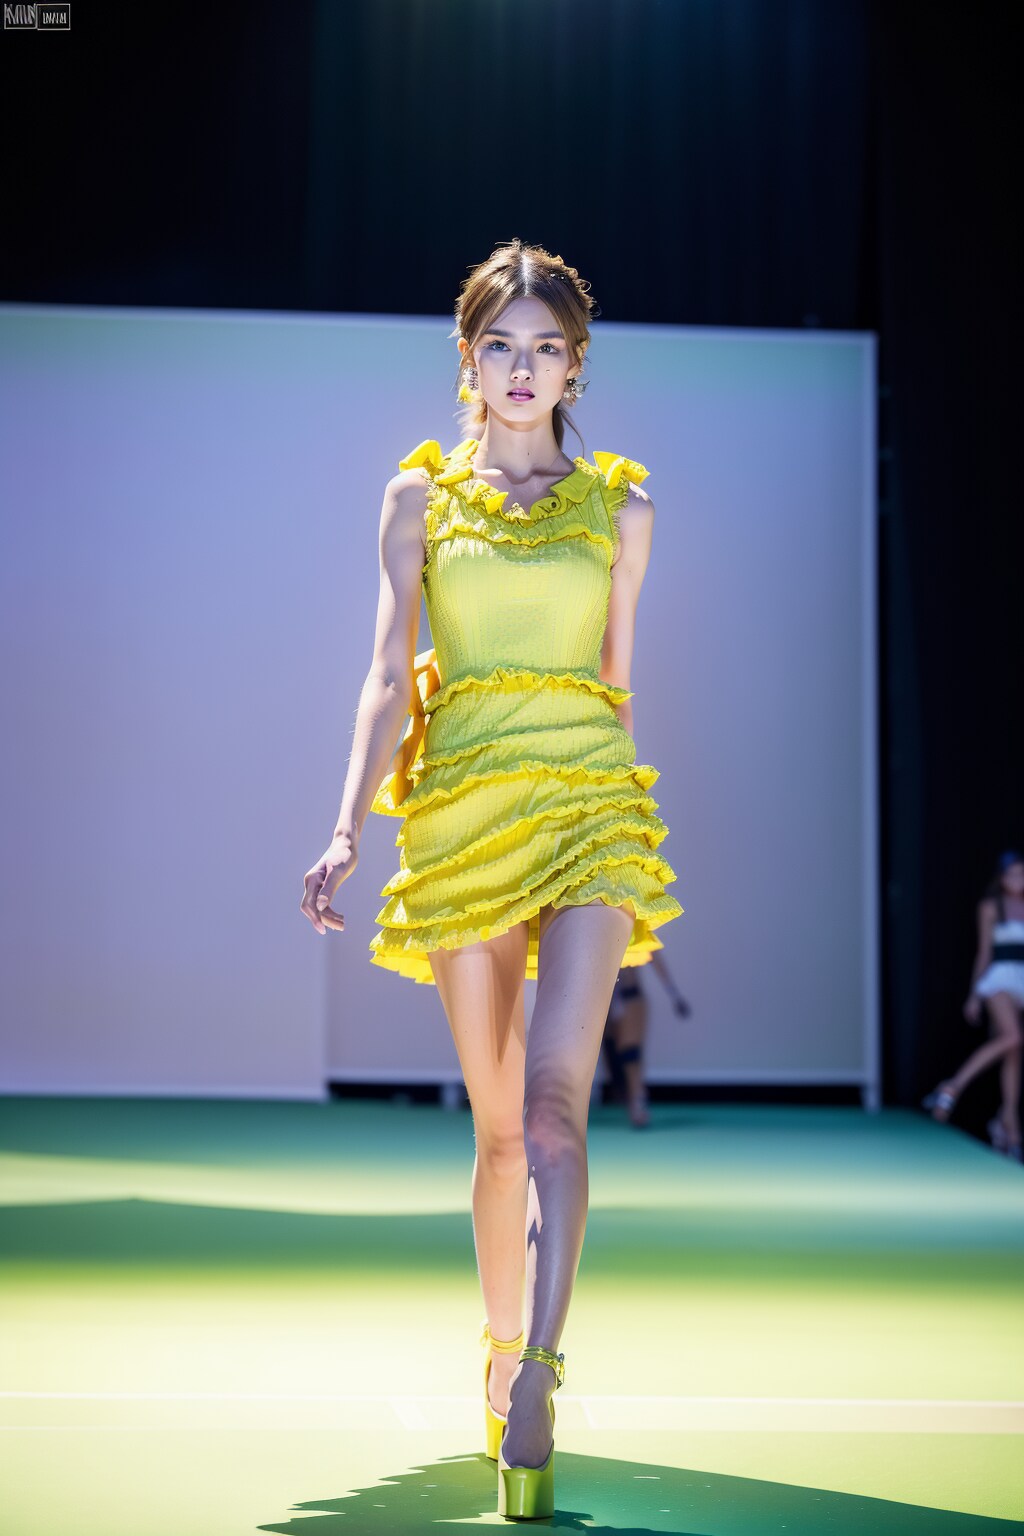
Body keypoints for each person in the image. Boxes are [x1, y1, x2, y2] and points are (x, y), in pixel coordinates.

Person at [299, 239, 684, 1520]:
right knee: (503, 1130)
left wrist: (626, 826)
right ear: (468, 360)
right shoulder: (417, 501)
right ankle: (495, 1343)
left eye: (547, 348)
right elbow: (383, 673)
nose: (524, 370)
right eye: (501, 347)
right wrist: (346, 828)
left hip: (586, 810)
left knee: (560, 1111)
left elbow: (617, 683)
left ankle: (536, 1380)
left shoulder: (622, 509)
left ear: (576, 365)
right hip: (462, 818)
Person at [922, 849, 1024, 1161]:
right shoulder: (990, 906)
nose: (1017, 880)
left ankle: (1008, 1120)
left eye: (1022, 873)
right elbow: (984, 952)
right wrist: (974, 995)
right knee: (1012, 1037)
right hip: (999, 979)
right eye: (1012, 874)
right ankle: (953, 1085)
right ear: (1001, 877)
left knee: (1013, 1051)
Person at [602, 952, 690, 1127]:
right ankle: (633, 1098)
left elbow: (655, 958)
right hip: (610, 1002)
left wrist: (674, 995)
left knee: (630, 1050)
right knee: (616, 1053)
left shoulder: (636, 938)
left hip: (630, 997)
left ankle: (638, 1099)